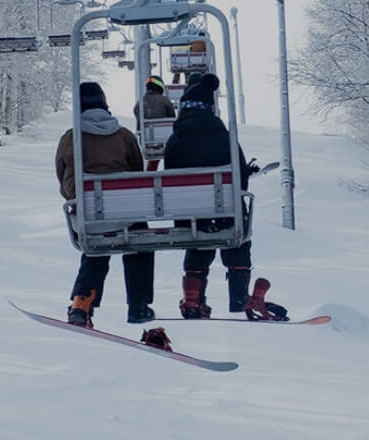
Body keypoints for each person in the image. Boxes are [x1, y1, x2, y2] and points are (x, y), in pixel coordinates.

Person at [164, 73, 285, 321]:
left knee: (198, 237)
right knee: (239, 238)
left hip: (191, 219)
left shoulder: (174, 141)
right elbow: (239, 179)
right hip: (227, 217)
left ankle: (192, 299)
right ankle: (239, 298)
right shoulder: (225, 138)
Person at [55, 81, 156, 326]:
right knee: (138, 241)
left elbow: (62, 175)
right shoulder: (124, 136)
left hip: (90, 218)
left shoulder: (71, 139)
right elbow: (137, 172)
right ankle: (138, 305)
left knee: (96, 244)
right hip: (127, 218)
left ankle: (82, 303)